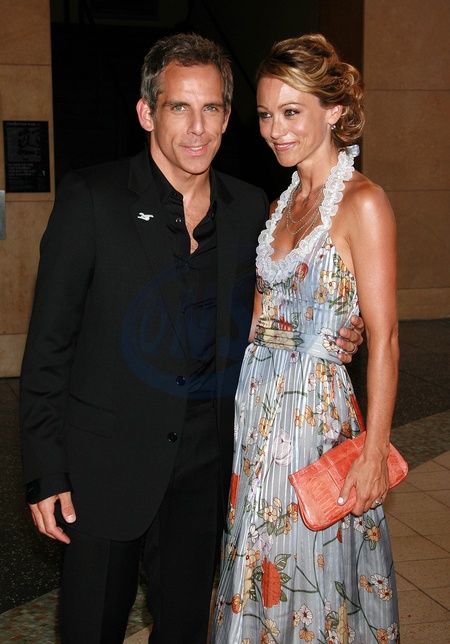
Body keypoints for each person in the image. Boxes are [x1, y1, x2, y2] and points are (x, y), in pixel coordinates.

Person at [20, 33, 363, 644]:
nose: (197, 128)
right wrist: (46, 471)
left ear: (228, 117)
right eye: (179, 107)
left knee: (184, 631)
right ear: (147, 112)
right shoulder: (92, 199)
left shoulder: (250, 208)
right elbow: (49, 346)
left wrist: (334, 328)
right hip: (103, 472)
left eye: (212, 108)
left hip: (205, 477)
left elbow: (270, 310)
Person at [212, 33, 400, 644]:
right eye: (266, 115)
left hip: (314, 419)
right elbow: (258, 320)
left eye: (291, 112)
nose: (275, 130)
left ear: (334, 110)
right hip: (258, 412)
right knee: (257, 558)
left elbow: (386, 337)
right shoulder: (282, 205)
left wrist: (374, 452)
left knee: (309, 573)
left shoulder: (364, 203)